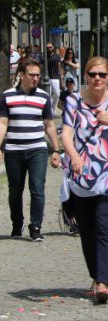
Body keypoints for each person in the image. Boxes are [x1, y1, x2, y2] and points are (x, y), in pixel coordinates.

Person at [61, 57, 108, 304]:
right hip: (82, 176)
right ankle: (96, 276)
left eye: (102, 75)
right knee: (87, 230)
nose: (97, 78)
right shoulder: (73, 101)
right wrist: (74, 156)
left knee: (104, 225)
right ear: (85, 75)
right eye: (92, 74)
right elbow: (66, 134)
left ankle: (104, 282)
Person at [1, 59, 62, 241]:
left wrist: (56, 150)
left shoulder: (43, 97)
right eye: (32, 75)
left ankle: (35, 226)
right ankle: (17, 223)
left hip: (37, 149)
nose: (35, 78)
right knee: (15, 190)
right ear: (21, 75)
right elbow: (2, 123)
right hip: (14, 149)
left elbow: (49, 124)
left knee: (37, 189)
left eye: (38, 75)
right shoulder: (7, 96)